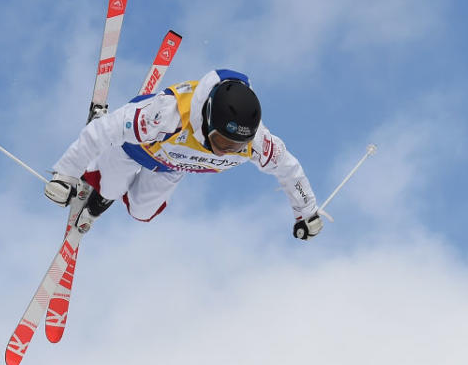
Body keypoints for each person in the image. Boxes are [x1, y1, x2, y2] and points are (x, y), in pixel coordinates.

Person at [43, 68, 323, 240]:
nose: (227, 151)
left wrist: (307, 213)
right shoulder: (166, 116)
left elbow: (289, 169)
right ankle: (103, 190)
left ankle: (112, 189)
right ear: (208, 121)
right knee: (111, 187)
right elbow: (101, 132)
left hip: (172, 167)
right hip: (134, 148)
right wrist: (65, 174)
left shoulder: (257, 143)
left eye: (235, 146)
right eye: (221, 141)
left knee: (142, 213)